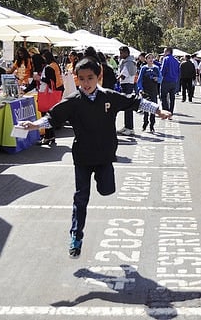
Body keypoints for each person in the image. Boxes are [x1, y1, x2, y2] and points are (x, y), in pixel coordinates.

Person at [17, 57, 172, 258]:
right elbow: (52, 117)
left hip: (105, 156)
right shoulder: (73, 102)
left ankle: (102, 184)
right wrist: (34, 125)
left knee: (106, 190)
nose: (87, 83)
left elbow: (136, 101)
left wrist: (158, 110)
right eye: (82, 79)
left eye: (90, 78)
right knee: (81, 197)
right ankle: (76, 236)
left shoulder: (109, 96)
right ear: (77, 79)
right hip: (82, 157)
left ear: (98, 77)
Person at [136, 53, 162, 132]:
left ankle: (152, 125)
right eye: (149, 58)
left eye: (152, 58)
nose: (150, 59)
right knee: (146, 108)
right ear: (146, 60)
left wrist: (157, 79)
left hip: (153, 90)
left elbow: (161, 78)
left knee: (153, 108)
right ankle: (145, 123)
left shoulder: (156, 68)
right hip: (145, 91)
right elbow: (139, 79)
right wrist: (140, 89)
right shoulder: (143, 68)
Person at [116, 46, 137, 135]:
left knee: (128, 107)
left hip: (128, 85)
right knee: (126, 107)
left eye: (121, 53)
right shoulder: (124, 61)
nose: (120, 55)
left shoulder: (129, 62)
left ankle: (130, 128)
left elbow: (123, 75)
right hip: (125, 84)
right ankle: (126, 126)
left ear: (126, 53)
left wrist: (116, 79)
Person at [160, 47, 180, 117]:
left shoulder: (166, 59)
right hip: (174, 81)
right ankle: (171, 111)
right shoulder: (176, 60)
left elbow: (163, 70)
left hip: (166, 80)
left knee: (163, 96)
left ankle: (165, 111)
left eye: (164, 51)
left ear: (167, 51)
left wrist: (160, 78)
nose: (164, 53)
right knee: (172, 97)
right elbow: (178, 71)